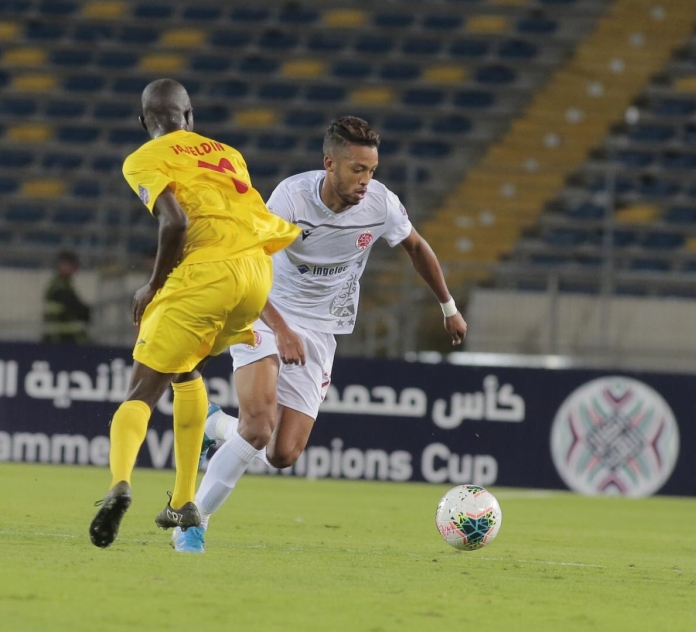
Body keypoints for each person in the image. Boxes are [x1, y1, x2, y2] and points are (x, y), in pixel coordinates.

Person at [173, 116, 467, 553]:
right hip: (264, 311)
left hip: (321, 329)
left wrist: (449, 307)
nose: (366, 180)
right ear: (330, 164)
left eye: (372, 170)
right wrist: (281, 329)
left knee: (282, 453)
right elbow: (245, 266)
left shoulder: (381, 204)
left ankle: (214, 424)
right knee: (258, 428)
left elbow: (417, 247)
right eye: (357, 169)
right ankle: (192, 521)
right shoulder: (290, 199)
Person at [88, 78, 300, 548]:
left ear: (143, 121)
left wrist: (154, 285)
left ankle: (119, 484)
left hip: (206, 273)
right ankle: (184, 501)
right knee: (187, 369)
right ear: (190, 116)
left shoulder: (143, 157)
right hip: (256, 275)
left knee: (141, 391)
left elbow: (176, 222)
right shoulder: (229, 153)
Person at [42, 250, 91, 344]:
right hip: (60, 340)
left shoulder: (63, 285)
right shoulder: (59, 288)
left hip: (61, 339)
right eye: (70, 264)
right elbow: (78, 310)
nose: (74, 268)